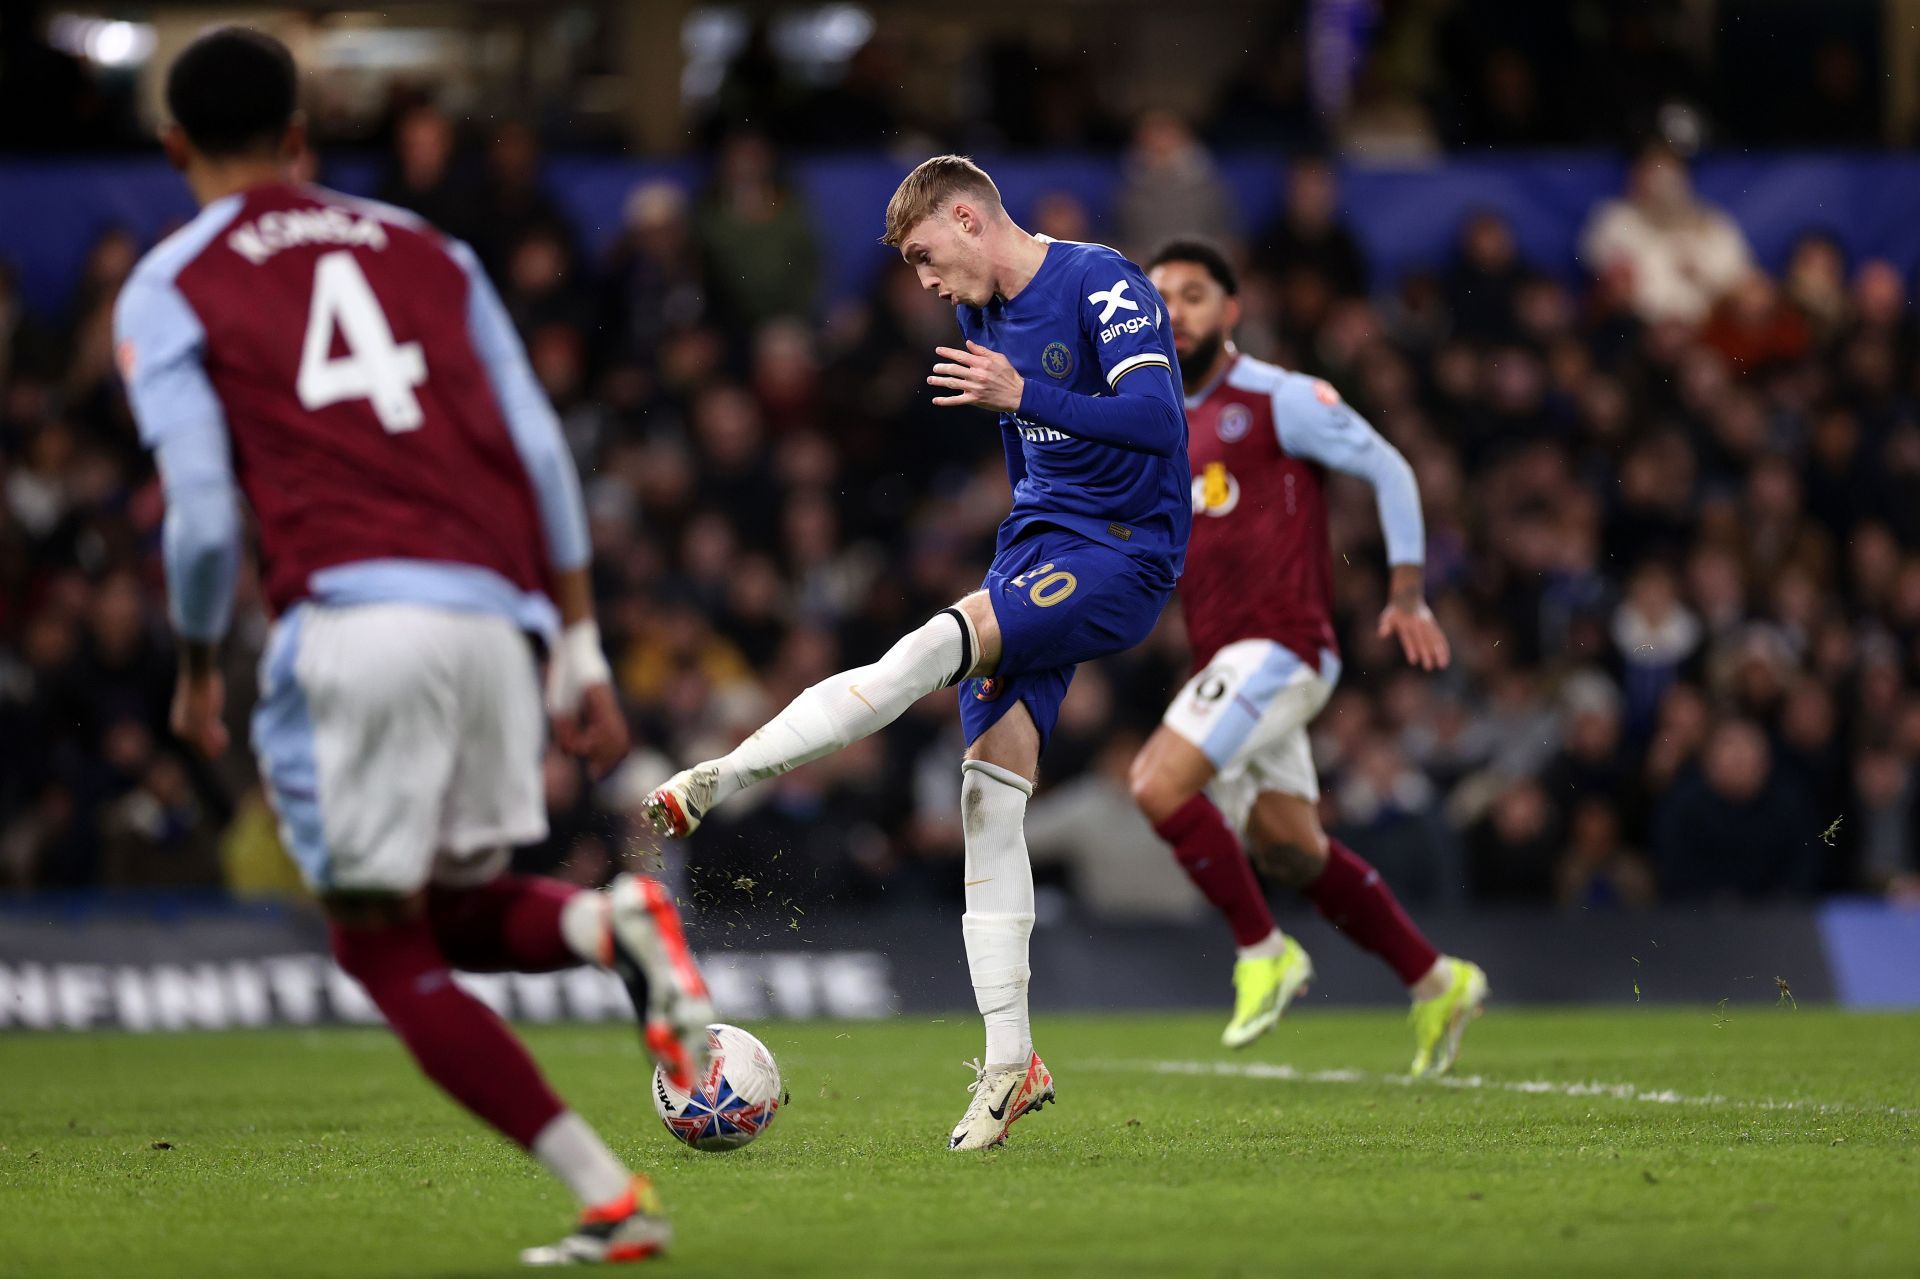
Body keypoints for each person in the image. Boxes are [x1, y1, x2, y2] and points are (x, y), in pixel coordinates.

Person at [113, 28, 714, 1266]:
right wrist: (583, 644)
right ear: (301, 138)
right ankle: (610, 929)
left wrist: (190, 669)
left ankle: (610, 1197)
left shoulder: (171, 281)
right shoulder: (427, 249)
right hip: (499, 618)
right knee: (437, 907)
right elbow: (544, 450)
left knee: (374, 940)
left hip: (354, 623)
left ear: (175, 146)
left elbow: (208, 516)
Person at [644, 155, 1190, 1150]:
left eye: (930, 257)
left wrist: (1027, 391)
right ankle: (1012, 1062)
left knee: (927, 651)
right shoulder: (980, 316)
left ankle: (724, 774)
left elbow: (1157, 421)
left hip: (1122, 555)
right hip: (1040, 545)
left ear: (971, 218)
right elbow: (1028, 447)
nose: (928, 284)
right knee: (988, 795)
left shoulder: (1101, 282)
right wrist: (1021, 466)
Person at [1129, 239, 1487, 1076]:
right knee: (1291, 849)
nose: (1174, 312)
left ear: (1232, 310)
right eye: (1161, 298)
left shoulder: (1276, 396)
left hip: (1282, 646)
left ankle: (1263, 951)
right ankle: (1437, 978)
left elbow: (1390, 467)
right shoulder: (1160, 421)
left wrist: (1405, 592)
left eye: (1193, 295)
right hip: (1227, 658)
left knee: (1155, 782)